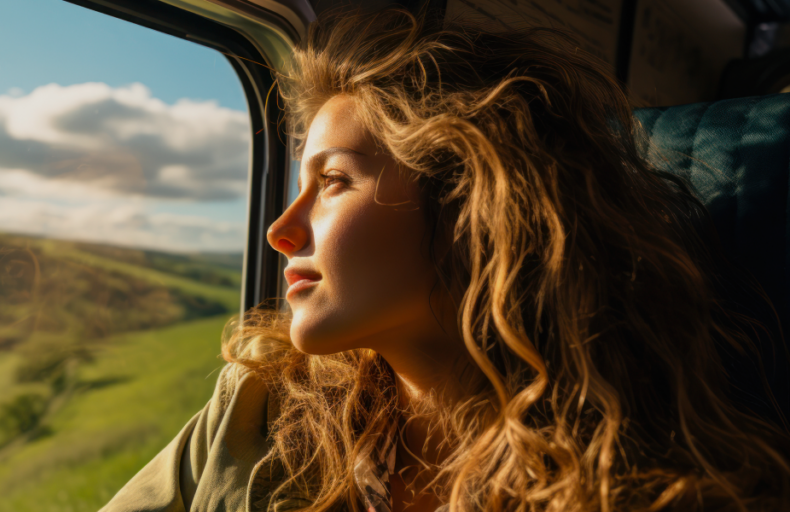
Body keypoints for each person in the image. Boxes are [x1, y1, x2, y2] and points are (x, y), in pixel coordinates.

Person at [100, 7, 790, 512]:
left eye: (333, 181)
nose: (282, 229)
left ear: (467, 204)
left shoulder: (643, 484)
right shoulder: (253, 410)